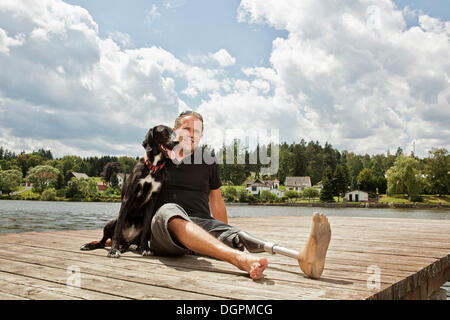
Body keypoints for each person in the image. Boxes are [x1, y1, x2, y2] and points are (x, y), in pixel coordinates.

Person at [149, 110, 331, 280]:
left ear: (201, 136)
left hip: (202, 228)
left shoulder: (208, 160)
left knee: (235, 236)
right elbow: (136, 196)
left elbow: (216, 201)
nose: (191, 134)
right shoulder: (157, 159)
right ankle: (240, 259)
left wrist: (224, 231)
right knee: (169, 210)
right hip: (165, 231)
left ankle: (303, 258)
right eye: (186, 129)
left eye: (196, 131)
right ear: (173, 132)